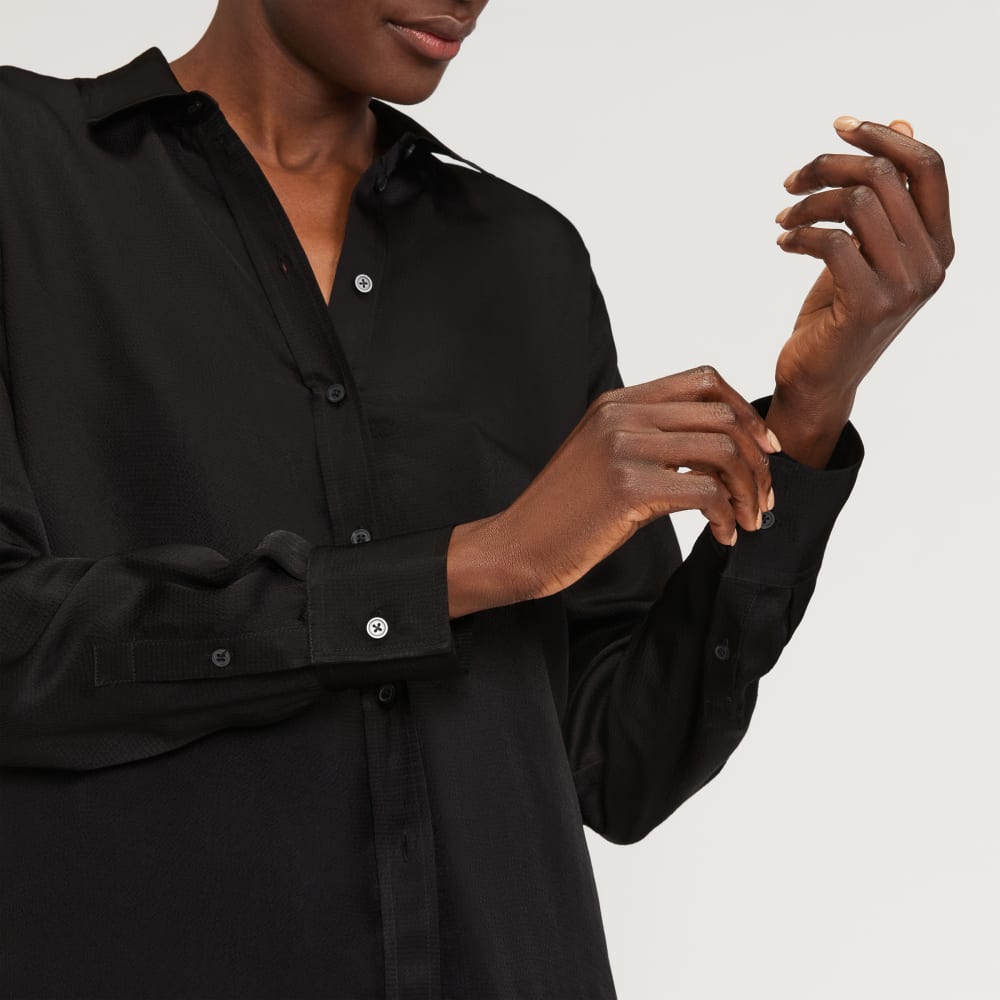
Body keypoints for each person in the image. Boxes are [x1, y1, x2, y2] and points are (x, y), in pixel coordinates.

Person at [0, 2, 953, 998]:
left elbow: (618, 768)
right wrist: (478, 564)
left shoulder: (524, 258)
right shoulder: (26, 170)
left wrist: (808, 411)